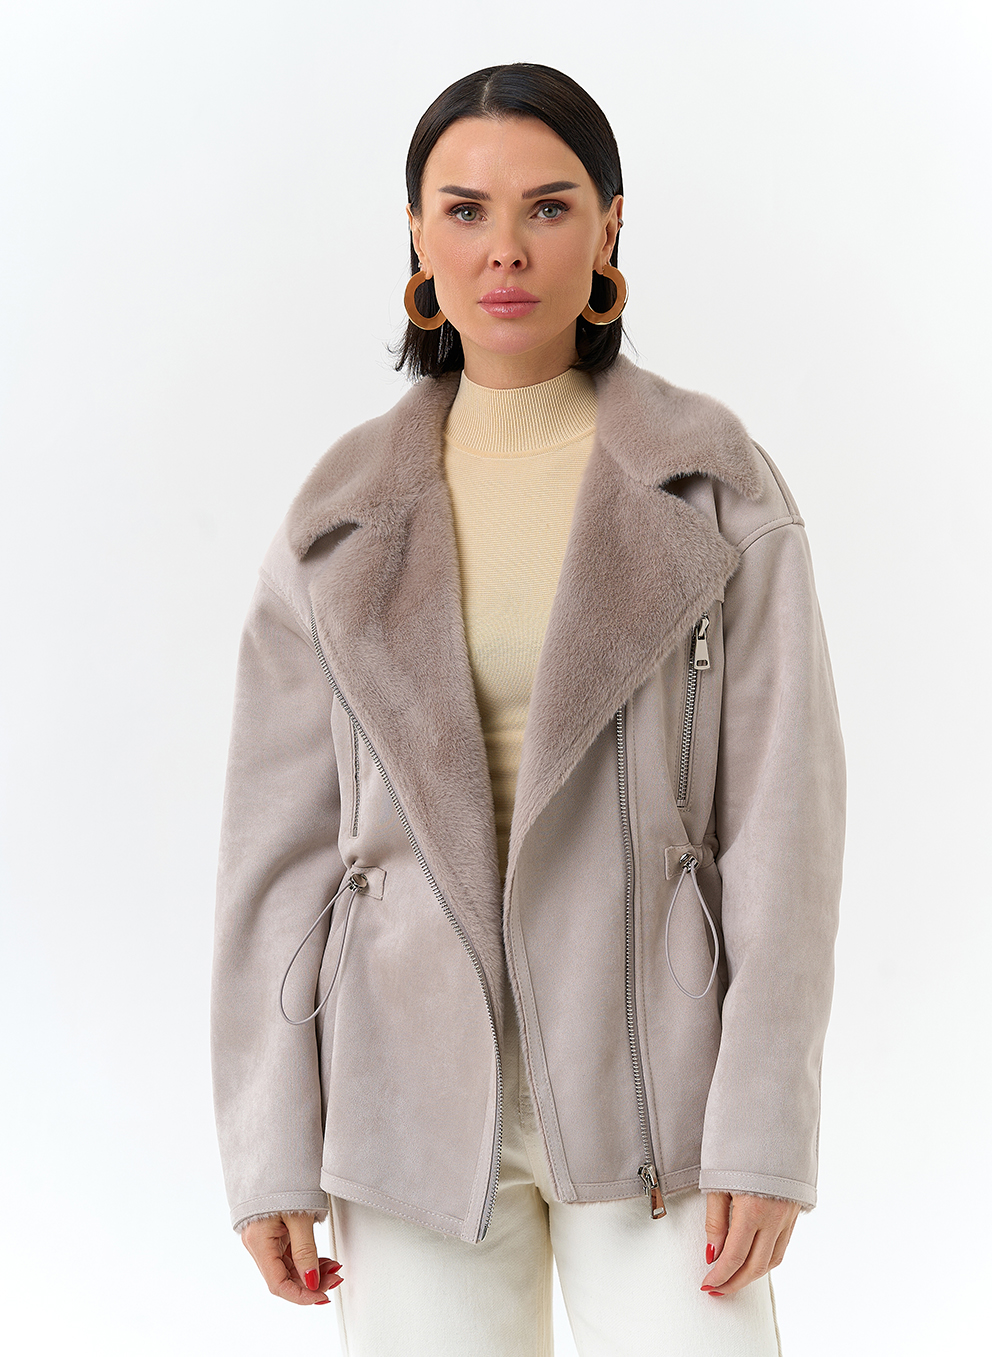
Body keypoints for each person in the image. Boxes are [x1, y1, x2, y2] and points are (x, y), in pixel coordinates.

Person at [211, 63, 845, 1357]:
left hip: (662, 1082)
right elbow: (274, 857)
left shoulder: (713, 484)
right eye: (465, 210)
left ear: (609, 228)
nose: (504, 249)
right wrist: (270, 1143)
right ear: (417, 234)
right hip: (403, 1092)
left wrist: (766, 1124)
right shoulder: (338, 516)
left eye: (549, 207)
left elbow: (786, 825)